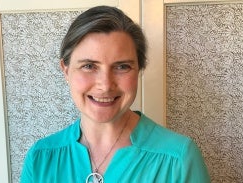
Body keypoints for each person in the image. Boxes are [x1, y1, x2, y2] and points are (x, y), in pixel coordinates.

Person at [21, 5, 210, 183]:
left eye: (122, 66)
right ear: (65, 70)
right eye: (89, 66)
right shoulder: (41, 159)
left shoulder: (178, 159)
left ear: (139, 70)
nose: (105, 85)